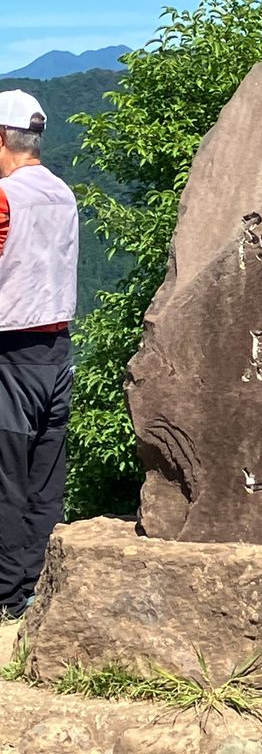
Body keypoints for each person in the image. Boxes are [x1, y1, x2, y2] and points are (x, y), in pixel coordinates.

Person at [0, 89, 79, 618]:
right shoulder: (63, 193)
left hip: (11, 347)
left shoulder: (6, 198)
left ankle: (5, 594)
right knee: (45, 476)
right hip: (59, 349)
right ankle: (35, 586)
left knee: (6, 476)